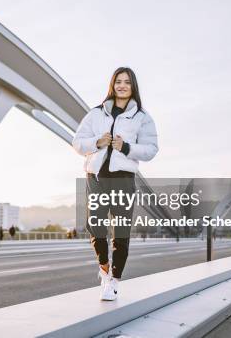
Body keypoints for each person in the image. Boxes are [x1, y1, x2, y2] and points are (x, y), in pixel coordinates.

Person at [72, 66, 158, 301]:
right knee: (95, 226)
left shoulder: (142, 117)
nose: (122, 86)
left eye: (127, 82)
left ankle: (114, 281)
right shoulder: (96, 113)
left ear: (133, 87)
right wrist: (97, 142)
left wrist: (127, 147)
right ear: (112, 85)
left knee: (120, 232)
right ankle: (104, 266)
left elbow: (151, 149)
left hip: (123, 179)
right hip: (96, 177)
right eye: (118, 81)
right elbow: (77, 142)